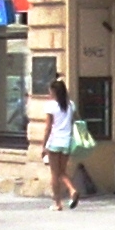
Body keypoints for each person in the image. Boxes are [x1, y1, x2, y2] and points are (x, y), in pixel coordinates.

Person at [43, 78, 79, 210]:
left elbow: (48, 127)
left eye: (50, 91)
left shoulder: (51, 106)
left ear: (54, 92)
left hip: (54, 142)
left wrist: (44, 145)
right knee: (62, 172)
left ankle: (57, 203)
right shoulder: (71, 105)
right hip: (67, 142)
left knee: (54, 173)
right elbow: (75, 121)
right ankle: (72, 189)